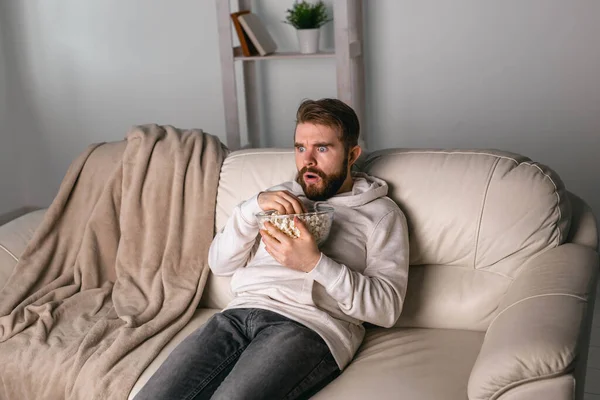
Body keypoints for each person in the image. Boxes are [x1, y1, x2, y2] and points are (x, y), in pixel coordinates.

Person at [135, 98, 409, 400]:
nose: (308, 161)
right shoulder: (276, 198)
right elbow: (220, 264)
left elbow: (386, 310)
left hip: (307, 326)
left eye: (322, 148)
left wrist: (314, 263)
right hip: (235, 316)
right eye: (300, 147)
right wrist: (250, 208)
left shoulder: (381, 214)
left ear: (352, 154)